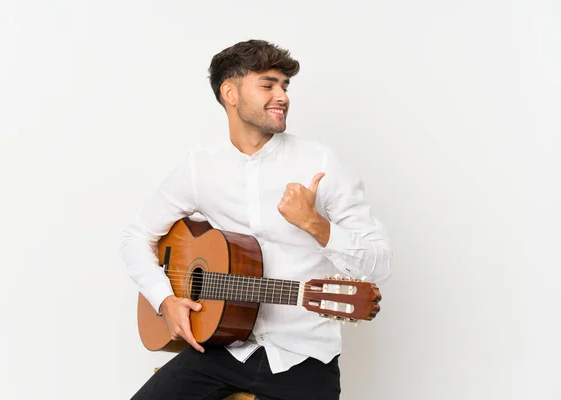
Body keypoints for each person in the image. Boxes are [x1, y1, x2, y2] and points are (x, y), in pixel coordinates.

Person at [120, 39, 392, 400]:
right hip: (222, 348)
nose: (282, 95)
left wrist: (315, 225)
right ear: (230, 93)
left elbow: (380, 263)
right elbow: (136, 237)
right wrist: (165, 300)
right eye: (268, 84)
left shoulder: (321, 163)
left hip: (304, 357)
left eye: (285, 86)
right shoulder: (200, 169)